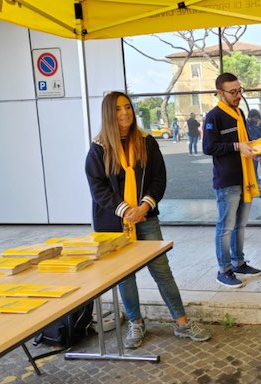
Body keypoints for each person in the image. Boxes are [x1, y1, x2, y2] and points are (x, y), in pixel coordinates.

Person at [85, 91, 210, 349]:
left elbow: (158, 179)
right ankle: (136, 323)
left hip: (146, 217)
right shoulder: (99, 148)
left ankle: (182, 322)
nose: (124, 113)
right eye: (118, 109)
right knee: (125, 275)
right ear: (109, 113)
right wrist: (124, 210)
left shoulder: (146, 142)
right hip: (113, 224)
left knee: (161, 269)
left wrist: (143, 207)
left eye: (128, 108)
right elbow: (98, 188)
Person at [203, 73, 261, 288]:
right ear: (220, 93)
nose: (238, 95)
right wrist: (237, 146)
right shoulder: (214, 116)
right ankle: (224, 269)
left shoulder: (239, 113)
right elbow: (208, 147)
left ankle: (239, 262)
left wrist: (255, 147)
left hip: (245, 176)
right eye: (233, 92)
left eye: (240, 90)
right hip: (227, 180)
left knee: (241, 225)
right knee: (226, 227)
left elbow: (244, 141)